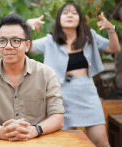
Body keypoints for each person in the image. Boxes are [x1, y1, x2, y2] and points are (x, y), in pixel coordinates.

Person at [27, 2, 120, 147]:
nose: (70, 15)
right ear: (59, 19)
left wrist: (111, 29)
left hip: (87, 92)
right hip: (60, 95)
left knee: (101, 141)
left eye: (74, 13)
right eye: (65, 13)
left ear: (79, 19)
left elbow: (114, 48)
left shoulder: (90, 37)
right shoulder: (50, 41)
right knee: (65, 143)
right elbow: (27, 47)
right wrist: (27, 26)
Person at [0, 14, 65, 141]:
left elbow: (57, 117)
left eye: (16, 41)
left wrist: (35, 130)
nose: (8, 46)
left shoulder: (46, 74)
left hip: (37, 141)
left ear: (27, 45)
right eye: (2, 41)